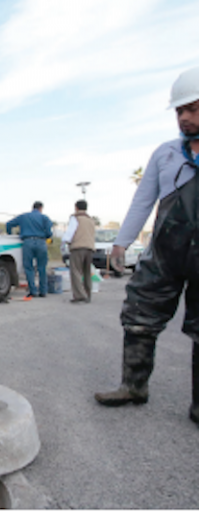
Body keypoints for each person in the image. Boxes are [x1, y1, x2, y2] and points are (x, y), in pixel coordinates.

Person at [94, 66, 199, 426]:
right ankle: (133, 385)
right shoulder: (166, 154)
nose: (184, 118)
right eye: (179, 111)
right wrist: (121, 243)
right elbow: (143, 200)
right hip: (166, 253)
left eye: (193, 109)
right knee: (139, 315)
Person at [6, 202, 53, 300]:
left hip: (27, 242)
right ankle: (43, 291)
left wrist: (11, 235)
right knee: (42, 268)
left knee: (29, 267)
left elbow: (9, 224)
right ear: (41, 208)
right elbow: (49, 233)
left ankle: (33, 291)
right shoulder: (45, 218)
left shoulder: (24, 216)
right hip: (41, 242)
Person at [61, 200, 96, 304]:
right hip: (90, 248)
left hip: (78, 247)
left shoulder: (75, 218)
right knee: (87, 272)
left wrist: (64, 243)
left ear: (76, 207)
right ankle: (87, 294)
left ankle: (80, 296)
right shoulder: (91, 220)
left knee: (75, 271)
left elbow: (70, 232)